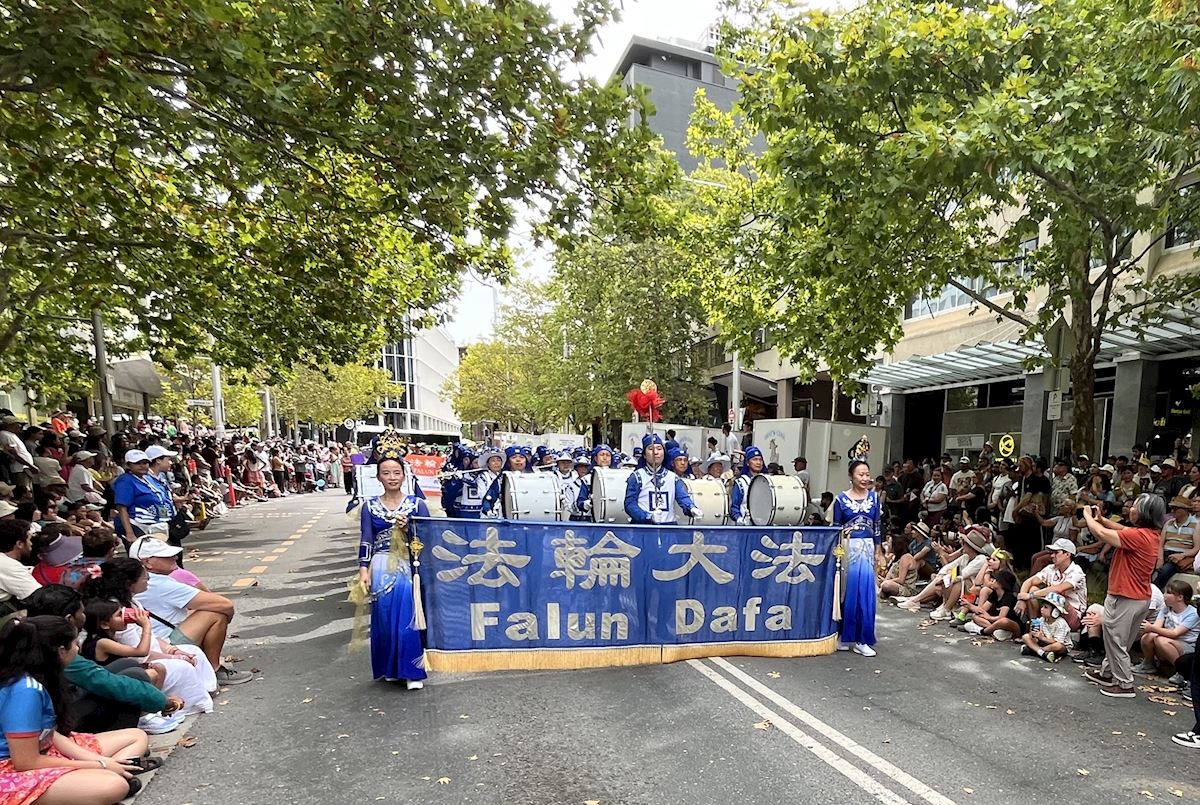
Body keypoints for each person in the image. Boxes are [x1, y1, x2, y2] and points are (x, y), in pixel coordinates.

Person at [0, 616, 150, 805]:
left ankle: (111, 775)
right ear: (61, 651)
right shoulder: (24, 691)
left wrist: (100, 761)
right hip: (10, 769)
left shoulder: (35, 678)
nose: (77, 648)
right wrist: (99, 764)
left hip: (45, 751)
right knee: (113, 786)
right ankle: (106, 779)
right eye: (74, 643)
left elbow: (50, 734)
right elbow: (26, 762)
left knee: (136, 736)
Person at [20, 585, 182, 736]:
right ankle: (124, 739)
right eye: (81, 612)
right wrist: (164, 702)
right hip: (57, 721)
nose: (84, 617)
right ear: (69, 619)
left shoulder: (32, 636)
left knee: (128, 665)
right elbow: (110, 683)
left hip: (61, 704)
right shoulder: (57, 650)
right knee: (130, 682)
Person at [357, 434, 430, 688]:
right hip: (380, 566)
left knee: (408, 617)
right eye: (386, 473)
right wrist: (363, 569)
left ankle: (411, 672)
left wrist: (410, 529)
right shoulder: (369, 507)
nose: (392, 477)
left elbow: (429, 537)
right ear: (378, 477)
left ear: (404, 475)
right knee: (385, 618)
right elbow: (366, 538)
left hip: (409, 566)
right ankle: (390, 668)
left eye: (396, 472)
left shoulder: (417, 504)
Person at [122, 542, 250, 686]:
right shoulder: (158, 583)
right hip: (162, 642)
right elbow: (224, 605)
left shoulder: (135, 583)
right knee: (215, 614)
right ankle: (214, 669)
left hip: (149, 640)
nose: (175, 558)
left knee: (202, 610)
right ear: (147, 562)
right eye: (166, 556)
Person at [1082, 494, 1165, 699]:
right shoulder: (1150, 534)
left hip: (1126, 596)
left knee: (1115, 640)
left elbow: (1101, 533)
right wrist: (1101, 518)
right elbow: (1120, 529)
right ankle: (1108, 673)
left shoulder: (1138, 536)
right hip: (1139, 597)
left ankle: (1124, 684)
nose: (1131, 509)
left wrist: (1088, 517)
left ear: (1144, 513)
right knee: (1120, 641)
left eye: (1135, 506)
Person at [832, 456, 881, 656]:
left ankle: (862, 639)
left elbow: (877, 526)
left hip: (867, 549)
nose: (864, 478)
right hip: (848, 549)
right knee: (846, 593)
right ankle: (844, 636)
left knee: (864, 594)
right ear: (851, 476)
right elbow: (835, 530)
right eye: (860, 474)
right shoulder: (840, 500)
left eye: (867, 474)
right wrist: (837, 555)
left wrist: (878, 550)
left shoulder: (874, 498)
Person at [624, 434, 701, 525]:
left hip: (668, 528)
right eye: (651, 449)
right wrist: (648, 516)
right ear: (644, 455)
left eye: (659, 449)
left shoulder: (673, 478)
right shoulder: (637, 477)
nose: (656, 452)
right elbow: (630, 504)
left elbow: (683, 497)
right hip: (644, 528)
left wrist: (691, 508)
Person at [1135, 578, 1200, 676]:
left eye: (1168, 593)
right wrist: (1146, 628)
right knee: (1148, 636)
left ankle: (1181, 672)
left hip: (1187, 647)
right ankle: (1148, 664)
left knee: (1161, 640)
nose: (1164, 595)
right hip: (1170, 642)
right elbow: (1156, 627)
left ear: (1180, 597)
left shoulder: (1192, 614)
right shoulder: (1166, 609)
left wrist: (1151, 628)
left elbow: (1175, 633)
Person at [1156, 496, 1199, 588]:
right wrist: (1160, 558)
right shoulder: (1168, 523)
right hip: (1165, 553)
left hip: (1180, 556)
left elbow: (1197, 548)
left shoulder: (1196, 524)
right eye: (1172, 508)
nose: (1172, 511)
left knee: (1165, 571)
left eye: (1176, 508)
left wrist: (1182, 555)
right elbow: (1161, 544)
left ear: (1185, 510)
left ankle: (1155, 591)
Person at [1019, 591, 1070, 663]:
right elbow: (1035, 636)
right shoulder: (1042, 619)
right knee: (1025, 637)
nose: (1041, 609)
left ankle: (1035, 650)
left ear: (1055, 612)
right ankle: (1042, 653)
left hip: (1059, 645)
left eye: (1045, 607)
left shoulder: (1060, 624)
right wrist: (1033, 633)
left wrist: (1042, 638)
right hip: (1045, 642)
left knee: (1058, 646)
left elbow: (1057, 641)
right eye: (1042, 606)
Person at [1, 519, 39, 612]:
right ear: (19, 544)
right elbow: (39, 596)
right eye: (29, 539)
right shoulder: (9, 566)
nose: (31, 543)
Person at [730, 446, 766, 525]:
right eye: (755, 459)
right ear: (747, 463)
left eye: (760, 460)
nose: (758, 462)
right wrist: (738, 518)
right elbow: (734, 507)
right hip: (746, 526)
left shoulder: (768, 481)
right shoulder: (741, 483)